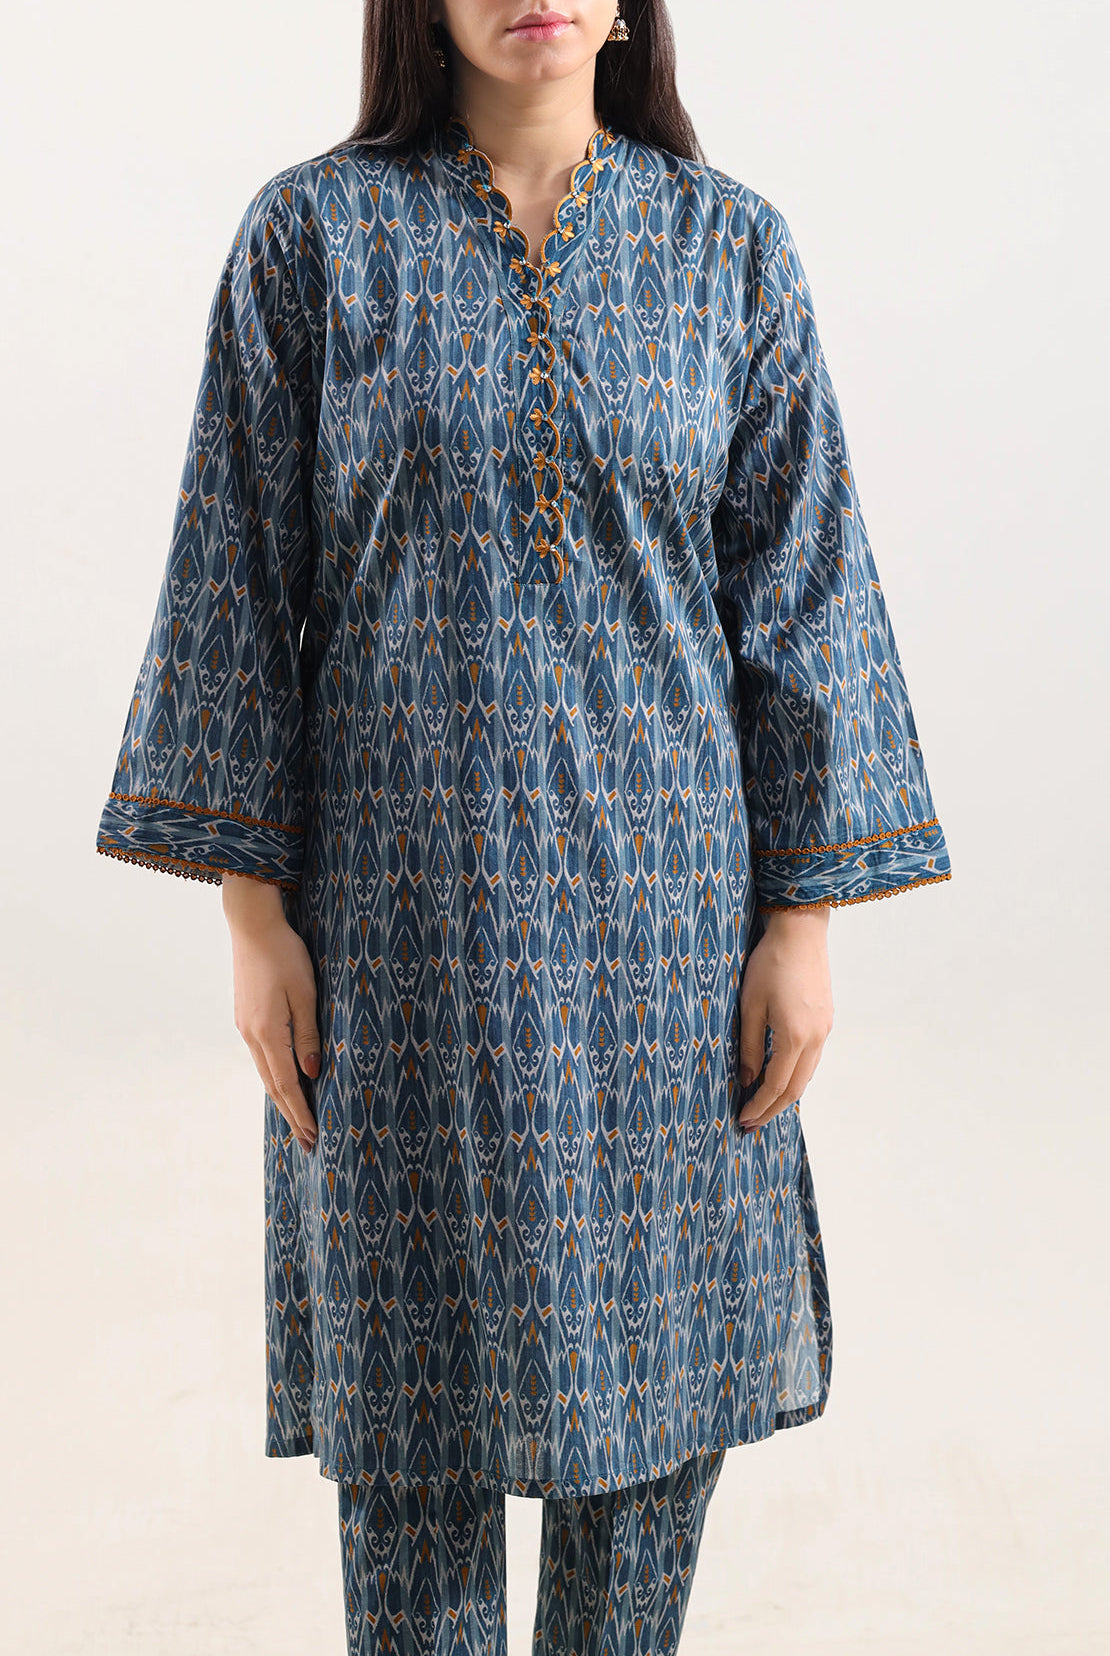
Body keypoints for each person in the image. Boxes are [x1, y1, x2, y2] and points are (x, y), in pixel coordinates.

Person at [94, 1, 953, 1650]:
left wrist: (800, 926)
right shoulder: (315, 239)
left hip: (667, 948)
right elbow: (235, 574)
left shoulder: (729, 252)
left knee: (651, 1430)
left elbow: (803, 597)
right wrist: (251, 920)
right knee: (408, 1441)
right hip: (400, 942)